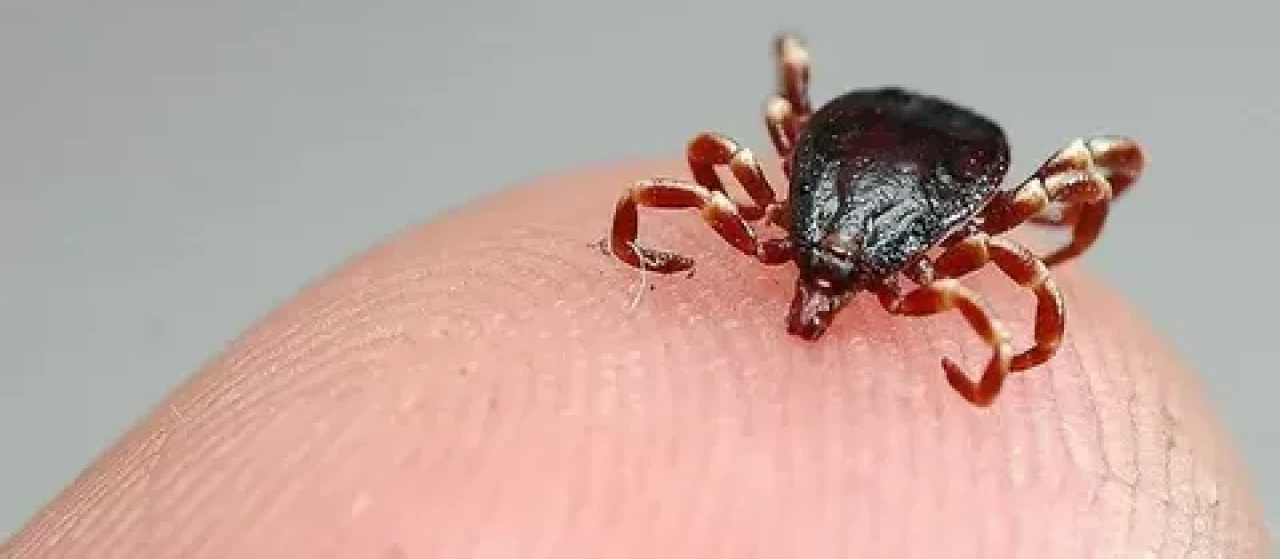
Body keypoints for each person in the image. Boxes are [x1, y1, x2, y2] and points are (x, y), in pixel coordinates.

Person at [4, 159, 1269, 557]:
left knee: (1051, 232)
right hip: (876, 177)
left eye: (825, 288)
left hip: (915, 178)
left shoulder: (921, 260)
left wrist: (997, 336)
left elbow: (1023, 303)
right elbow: (1015, 306)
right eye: (809, 277)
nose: (809, 305)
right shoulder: (804, 234)